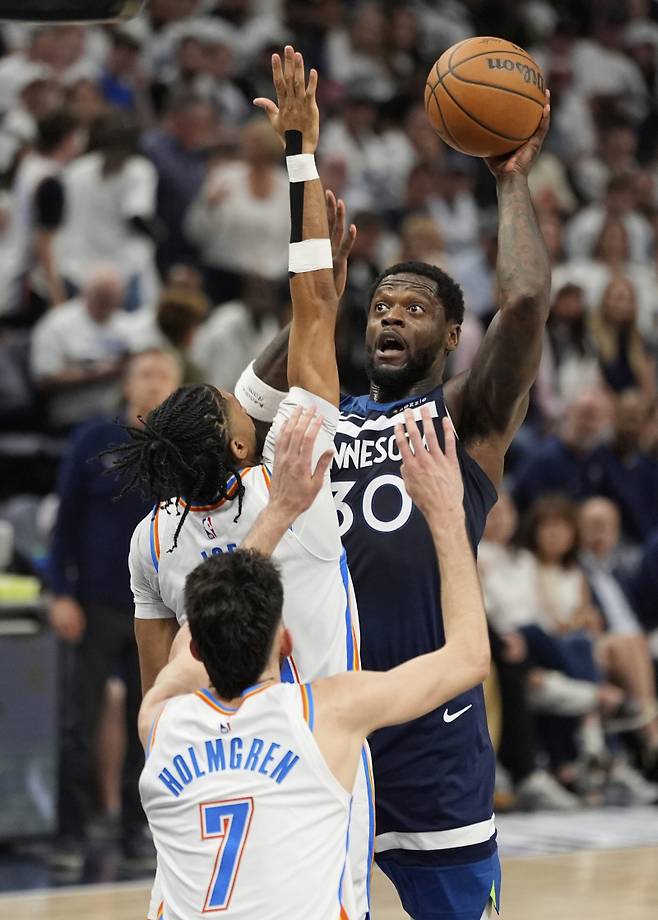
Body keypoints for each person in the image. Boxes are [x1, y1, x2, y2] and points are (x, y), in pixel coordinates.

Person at [242, 72, 552, 920]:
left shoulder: (464, 417)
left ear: (453, 336)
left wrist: (510, 177)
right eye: (380, 306)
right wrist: (320, 301)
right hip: (319, 733)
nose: (388, 318)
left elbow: (524, 302)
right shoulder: (325, 416)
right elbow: (249, 406)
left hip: (429, 737)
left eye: (413, 309)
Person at [119, 48, 369, 917]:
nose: (242, 395)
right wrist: (301, 144)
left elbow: (159, 701)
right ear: (238, 447)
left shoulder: (152, 539)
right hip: (311, 760)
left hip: (206, 781)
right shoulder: (291, 482)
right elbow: (305, 304)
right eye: (233, 404)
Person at [138, 406, 491, 920]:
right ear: (285, 646)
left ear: (193, 650)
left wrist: (277, 513)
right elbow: (469, 657)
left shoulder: (160, 718)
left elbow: (196, 630)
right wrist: (445, 513)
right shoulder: (326, 713)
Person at [48, 349, 182, 870]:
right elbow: (64, 526)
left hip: (161, 612)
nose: (152, 384)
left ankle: (139, 830)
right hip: (97, 607)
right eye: (145, 375)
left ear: (175, 387)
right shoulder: (91, 441)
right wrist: (62, 592)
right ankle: (71, 834)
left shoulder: (181, 452)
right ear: (127, 384)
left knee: (150, 724)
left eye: (163, 376)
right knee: (78, 724)